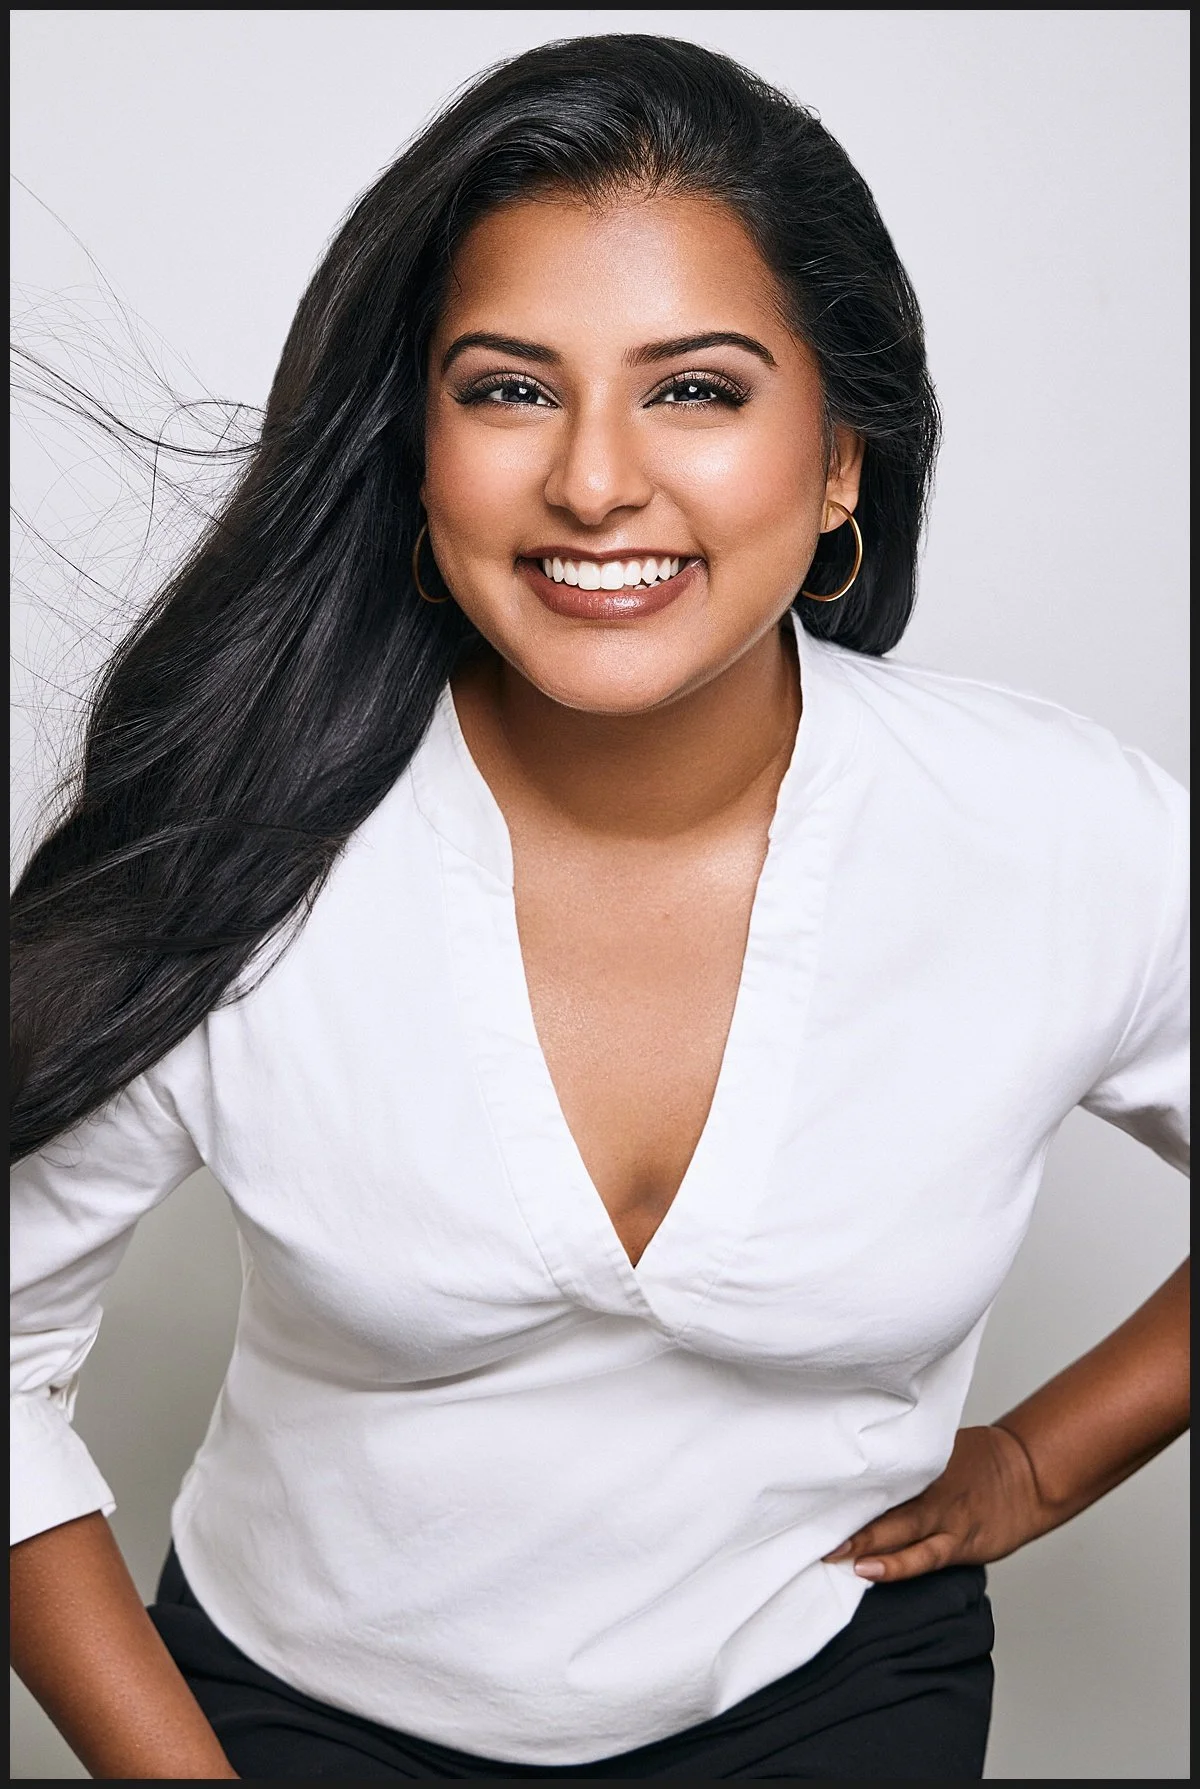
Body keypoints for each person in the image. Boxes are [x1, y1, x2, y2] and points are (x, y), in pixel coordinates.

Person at [10, 33, 1188, 1783]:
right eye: (507, 388)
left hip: (832, 1693)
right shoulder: (231, 852)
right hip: (282, 1717)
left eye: (697, 389)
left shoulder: (1053, 829)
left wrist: (1041, 1461)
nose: (593, 481)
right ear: (413, 446)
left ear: (844, 451)